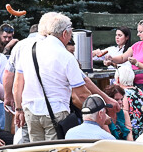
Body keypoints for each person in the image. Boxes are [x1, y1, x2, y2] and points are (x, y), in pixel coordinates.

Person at [12, 13, 96, 142]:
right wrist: (97, 110)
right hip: (56, 111)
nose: (70, 37)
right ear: (64, 34)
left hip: (31, 111)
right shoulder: (66, 56)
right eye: (70, 33)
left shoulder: (29, 50)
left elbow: (18, 84)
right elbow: (82, 94)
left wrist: (18, 109)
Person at [62, 95, 128, 152]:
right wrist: (107, 124)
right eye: (105, 113)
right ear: (100, 114)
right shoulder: (106, 137)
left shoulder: (70, 133)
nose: (107, 115)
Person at [107, 18, 143, 99]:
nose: (138, 34)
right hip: (135, 86)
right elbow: (123, 58)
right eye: (138, 31)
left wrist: (137, 63)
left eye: (140, 32)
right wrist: (111, 58)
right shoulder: (137, 45)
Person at [115, 64, 143, 140]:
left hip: (132, 132)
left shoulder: (124, 94)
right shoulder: (139, 91)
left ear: (118, 79)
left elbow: (125, 114)